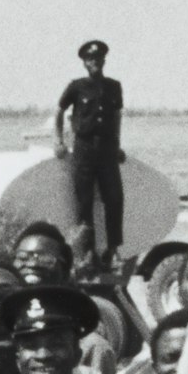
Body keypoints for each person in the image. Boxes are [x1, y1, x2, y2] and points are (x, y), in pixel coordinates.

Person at [55, 39, 125, 265]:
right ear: (84, 63)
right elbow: (59, 111)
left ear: (104, 60)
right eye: (90, 59)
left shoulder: (114, 86)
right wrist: (58, 141)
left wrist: (117, 145)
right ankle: (87, 252)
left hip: (107, 149)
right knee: (84, 201)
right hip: (84, 148)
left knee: (114, 198)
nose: (94, 62)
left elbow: (116, 118)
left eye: (98, 58)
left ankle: (113, 250)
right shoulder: (76, 86)